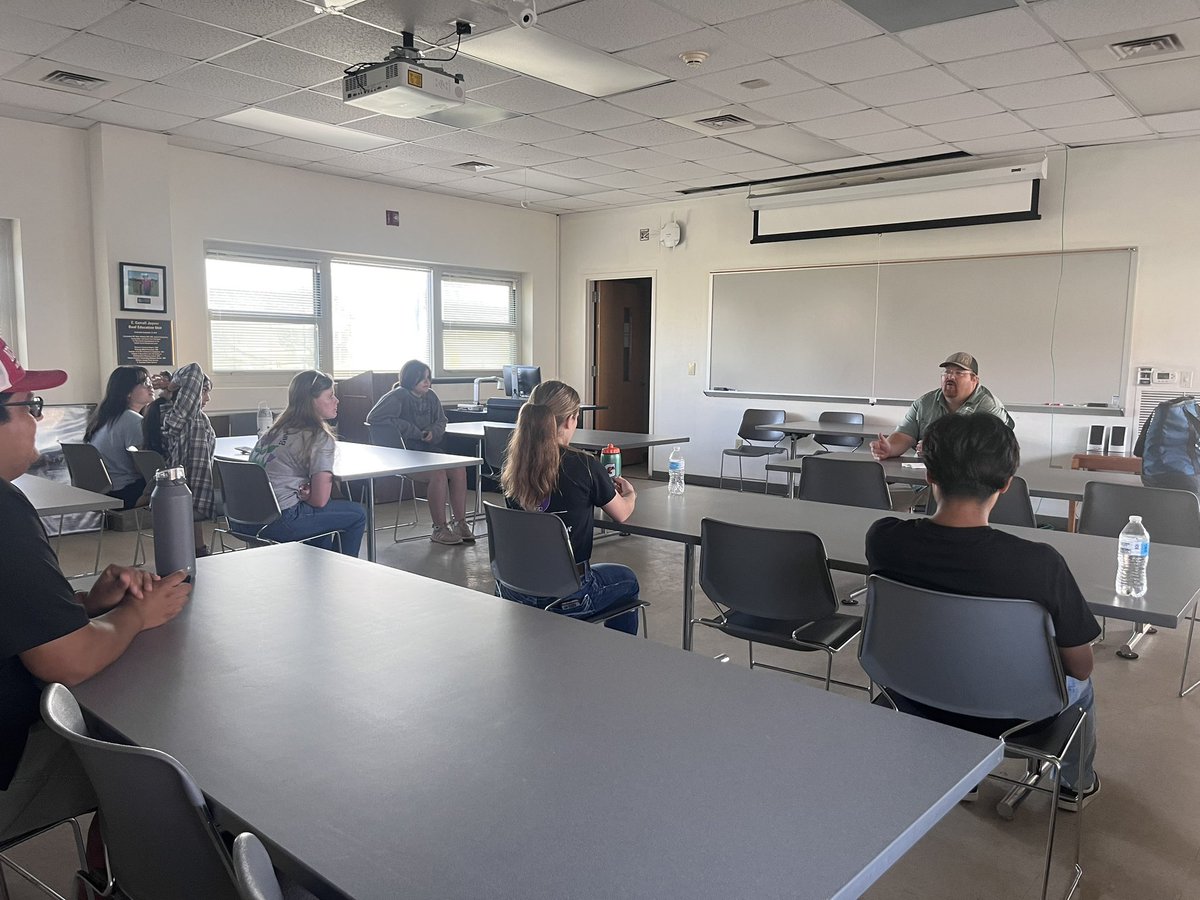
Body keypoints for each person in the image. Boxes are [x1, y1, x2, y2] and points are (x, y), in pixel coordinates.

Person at [0, 336, 191, 851]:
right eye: (28, 406)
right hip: (10, 761)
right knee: (160, 750)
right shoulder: (3, 512)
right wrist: (136, 613)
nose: (37, 419)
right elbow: (69, 661)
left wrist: (86, 606)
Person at [865, 413, 1101, 810]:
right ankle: (1074, 785)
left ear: (929, 476)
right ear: (1006, 484)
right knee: (1083, 690)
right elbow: (1080, 667)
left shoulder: (885, 539)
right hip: (1018, 717)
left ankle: (963, 773)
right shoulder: (1039, 563)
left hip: (911, 699)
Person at [498, 380, 640, 634]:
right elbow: (622, 514)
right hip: (568, 596)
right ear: (570, 420)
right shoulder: (584, 465)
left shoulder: (513, 468)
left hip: (513, 589)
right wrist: (630, 494)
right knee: (627, 579)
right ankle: (621, 658)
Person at [244, 370, 366, 556]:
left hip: (245, 519)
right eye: (330, 395)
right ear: (312, 401)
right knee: (357, 514)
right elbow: (320, 500)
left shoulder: (273, 431)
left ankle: (320, 573)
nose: (337, 400)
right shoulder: (317, 438)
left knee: (320, 518)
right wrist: (307, 496)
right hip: (279, 521)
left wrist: (306, 495)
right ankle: (342, 574)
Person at [365, 360, 472, 545]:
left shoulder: (431, 396)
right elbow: (373, 418)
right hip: (404, 456)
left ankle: (459, 522)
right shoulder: (398, 396)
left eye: (428, 378)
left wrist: (432, 432)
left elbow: (441, 421)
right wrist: (412, 430)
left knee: (459, 468)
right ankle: (439, 528)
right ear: (409, 378)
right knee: (438, 473)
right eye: (421, 378)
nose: (427, 382)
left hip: (428, 451)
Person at [870, 352, 1011, 460]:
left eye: (959, 373)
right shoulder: (924, 403)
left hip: (969, 485)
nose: (950, 377)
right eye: (947, 372)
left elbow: (989, 451)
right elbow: (904, 435)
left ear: (974, 379)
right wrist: (889, 448)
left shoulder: (989, 407)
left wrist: (940, 449)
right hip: (926, 479)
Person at [159, 363, 216, 556]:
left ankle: (197, 548)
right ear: (188, 396)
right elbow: (194, 370)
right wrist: (172, 384)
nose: (207, 397)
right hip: (193, 493)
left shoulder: (165, 413)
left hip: (179, 491)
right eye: (203, 391)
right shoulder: (188, 416)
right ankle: (199, 549)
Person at [83, 365, 154, 509]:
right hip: (125, 492)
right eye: (145, 383)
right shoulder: (133, 420)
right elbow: (142, 468)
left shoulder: (104, 419)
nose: (151, 387)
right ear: (128, 392)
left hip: (106, 490)